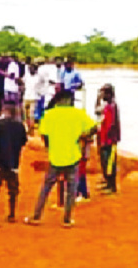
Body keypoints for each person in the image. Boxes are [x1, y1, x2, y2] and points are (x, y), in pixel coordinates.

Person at [24, 89, 97, 227]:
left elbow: (44, 134)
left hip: (55, 156)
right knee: (71, 190)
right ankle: (67, 219)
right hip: (73, 156)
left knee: (46, 188)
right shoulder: (78, 114)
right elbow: (94, 127)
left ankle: (36, 216)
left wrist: (49, 146)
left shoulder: (49, 114)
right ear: (70, 100)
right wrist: (83, 135)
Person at [0, 104, 27, 223]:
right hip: (14, 161)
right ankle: (11, 214)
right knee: (13, 190)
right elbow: (23, 142)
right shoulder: (20, 126)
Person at [98, 84, 120, 195]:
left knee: (110, 163)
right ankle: (108, 183)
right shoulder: (109, 106)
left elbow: (111, 124)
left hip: (109, 140)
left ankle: (112, 186)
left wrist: (107, 140)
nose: (102, 96)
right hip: (105, 138)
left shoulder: (112, 106)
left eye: (104, 93)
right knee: (105, 162)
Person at [23, 62, 46, 134]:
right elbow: (22, 82)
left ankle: (31, 129)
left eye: (32, 68)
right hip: (26, 96)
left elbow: (44, 84)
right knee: (25, 115)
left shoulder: (39, 77)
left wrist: (41, 93)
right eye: (30, 68)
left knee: (31, 114)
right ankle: (28, 127)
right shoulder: (26, 76)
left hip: (34, 97)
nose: (30, 70)